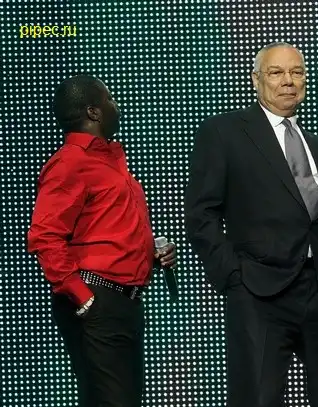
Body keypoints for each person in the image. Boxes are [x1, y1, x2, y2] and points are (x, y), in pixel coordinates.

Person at [185, 42, 318, 407]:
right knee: (258, 398)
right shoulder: (225, 132)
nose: (288, 81)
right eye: (276, 73)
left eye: (297, 72)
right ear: (256, 80)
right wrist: (233, 277)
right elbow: (201, 214)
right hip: (258, 292)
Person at [27, 74, 177, 407]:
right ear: (93, 112)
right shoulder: (70, 163)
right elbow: (45, 236)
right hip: (97, 299)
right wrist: (83, 296)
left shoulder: (109, 162)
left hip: (124, 302)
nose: (116, 106)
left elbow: (107, 232)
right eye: (110, 98)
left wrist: (150, 253)